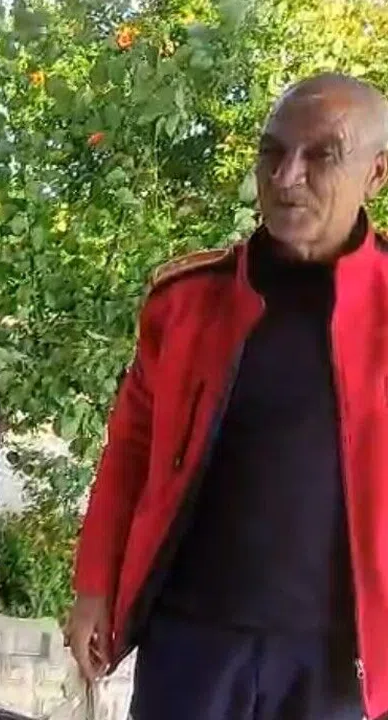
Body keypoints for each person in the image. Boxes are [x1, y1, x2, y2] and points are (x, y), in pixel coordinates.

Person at [66, 72, 388, 720]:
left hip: (335, 659)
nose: (287, 176)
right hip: (190, 639)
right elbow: (128, 452)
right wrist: (94, 587)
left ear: (375, 174)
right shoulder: (186, 301)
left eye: (321, 155)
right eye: (273, 152)